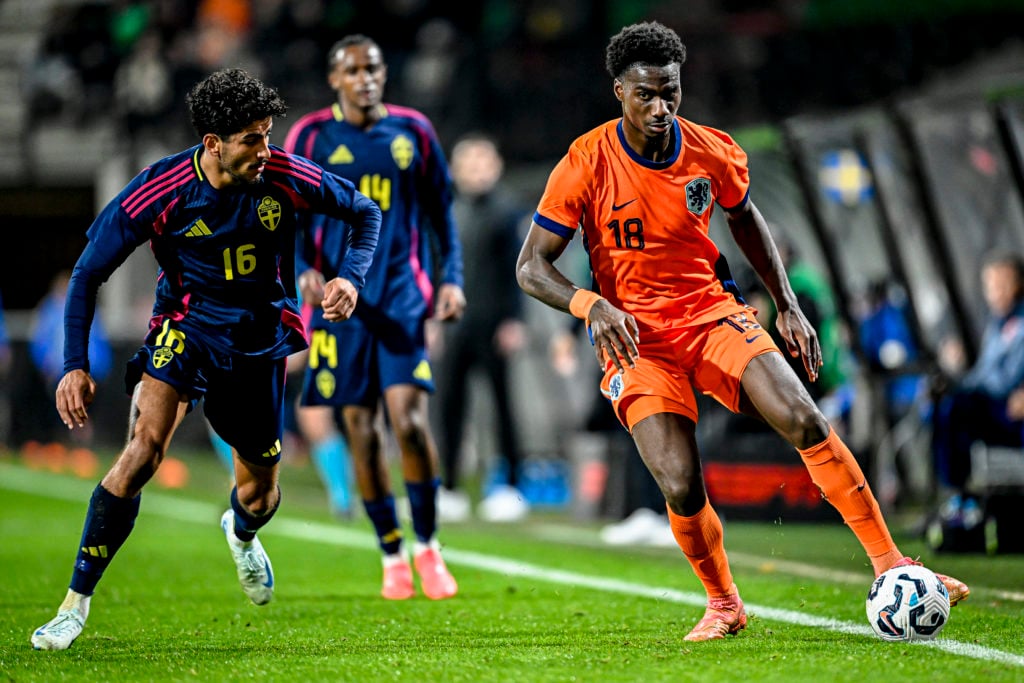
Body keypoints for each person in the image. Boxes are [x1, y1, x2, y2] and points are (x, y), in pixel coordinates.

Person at [515, 21, 969, 642]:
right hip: (637, 339)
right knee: (679, 481)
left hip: (711, 314)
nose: (660, 107)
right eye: (645, 94)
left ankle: (894, 562)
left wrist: (786, 303)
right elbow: (531, 266)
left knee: (804, 417)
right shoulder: (585, 161)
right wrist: (590, 304)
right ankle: (724, 603)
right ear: (618, 89)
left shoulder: (709, 150)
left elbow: (746, 218)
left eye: (670, 92)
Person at [30, 67, 382, 651]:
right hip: (184, 329)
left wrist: (351, 276)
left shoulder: (284, 175)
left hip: (259, 341)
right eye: (253, 138)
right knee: (142, 451)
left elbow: (365, 212)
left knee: (260, 494)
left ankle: (242, 534)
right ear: (214, 143)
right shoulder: (161, 188)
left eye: (268, 134)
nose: (266, 150)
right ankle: (74, 604)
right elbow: (88, 273)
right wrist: (73, 363)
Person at [283, 34, 464, 601]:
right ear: (334, 79)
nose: (366, 78)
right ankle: (390, 550)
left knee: (407, 422)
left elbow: (441, 213)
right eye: (353, 70)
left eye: (374, 68)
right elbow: (284, 218)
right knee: (360, 431)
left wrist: (451, 278)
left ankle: (429, 545)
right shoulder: (310, 136)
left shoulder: (414, 130)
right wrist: (302, 272)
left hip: (402, 298)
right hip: (339, 309)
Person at [433, 132, 529, 523]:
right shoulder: (445, 210)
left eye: (483, 162)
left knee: (503, 406)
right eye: (469, 163)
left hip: (494, 325)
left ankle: (509, 486)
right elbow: (435, 268)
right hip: (454, 324)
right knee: (449, 407)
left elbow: (517, 272)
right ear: (455, 170)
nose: (477, 170)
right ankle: (450, 486)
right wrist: (431, 321)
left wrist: (514, 320)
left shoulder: (508, 212)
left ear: (497, 166)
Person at [931, 251, 1024, 515]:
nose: (996, 293)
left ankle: (959, 496)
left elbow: (999, 382)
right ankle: (956, 497)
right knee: (945, 406)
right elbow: (984, 375)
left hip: (1011, 409)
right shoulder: (997, 325)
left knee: (958, 406)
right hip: (998, 407)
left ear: (1017, 284)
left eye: (1002, 285)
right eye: (991, 286)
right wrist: (956, 374)